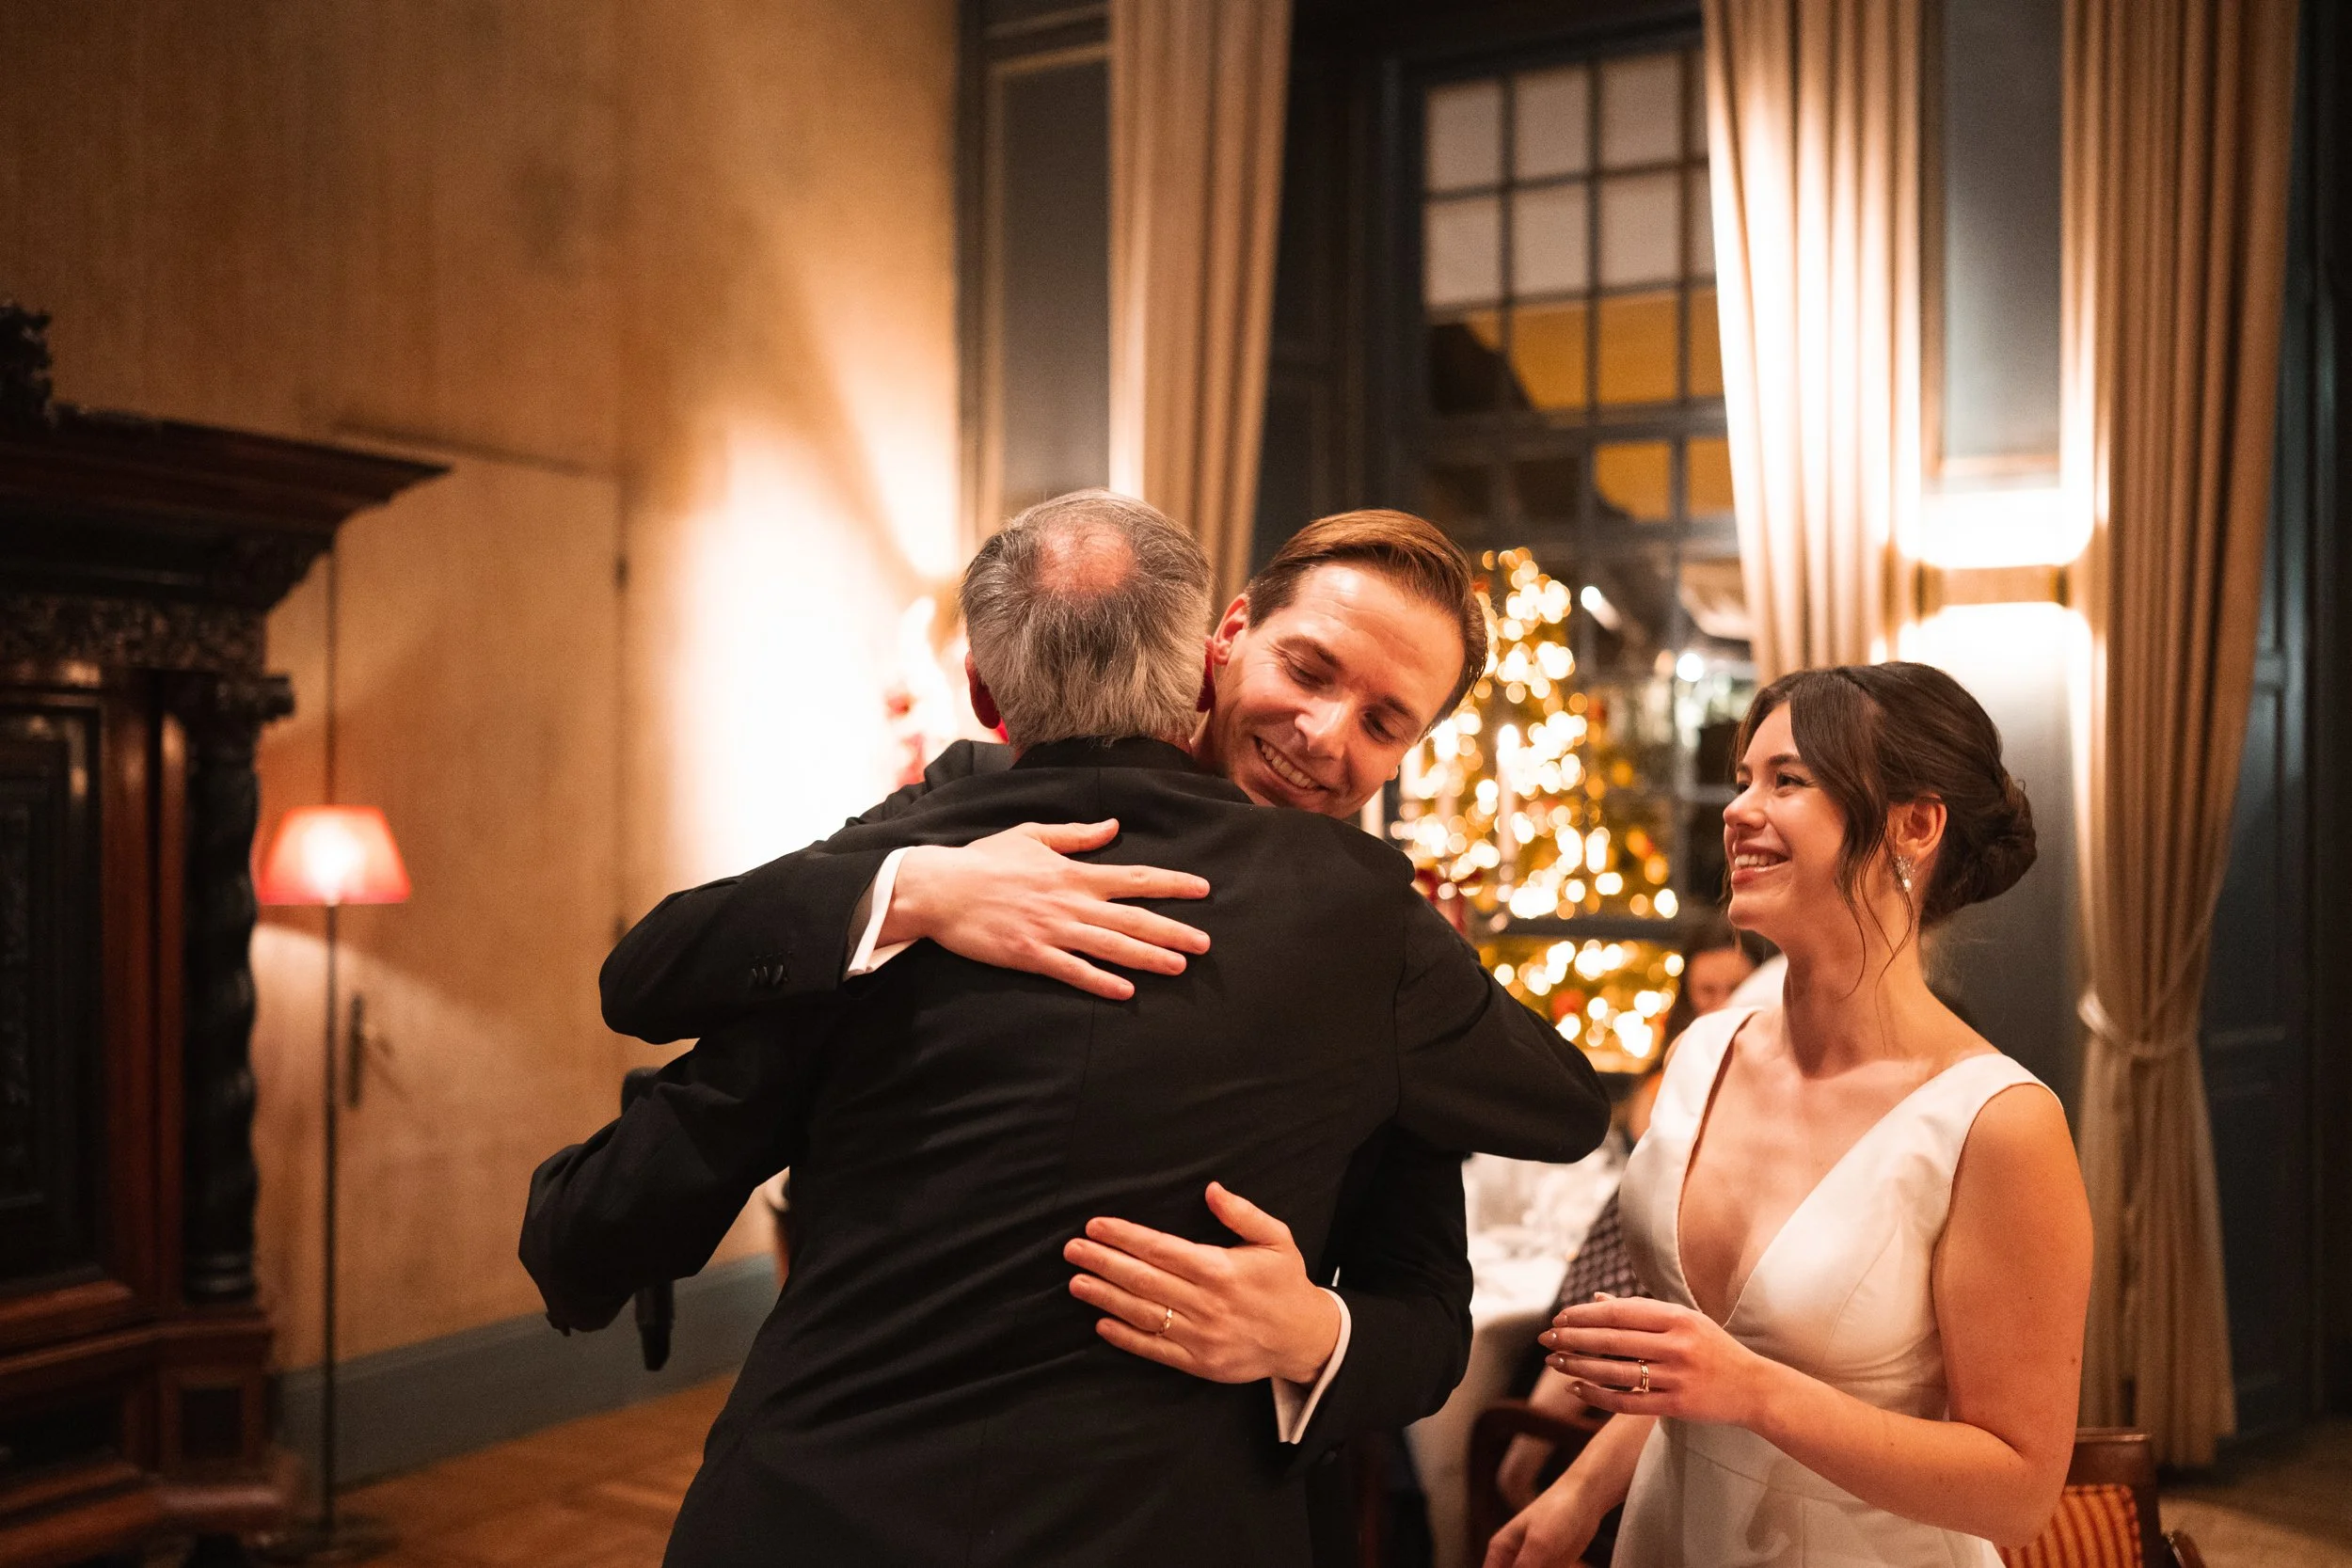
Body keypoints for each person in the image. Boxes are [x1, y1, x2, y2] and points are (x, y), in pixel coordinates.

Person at [523, 492, 1613, 1568]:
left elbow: (1451, 1264)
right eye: (1310, 670)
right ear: (1222, 639)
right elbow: (670, 999)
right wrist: (911, 892)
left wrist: (1315, 1335)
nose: (1323, 733)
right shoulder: (938, 841)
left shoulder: (1379, 937)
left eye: (1383, 721)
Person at [1484, 662, 2091, 1568]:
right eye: (1742, 780)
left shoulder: (1995, 1123)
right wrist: (1584, 1487)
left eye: (1789, 780)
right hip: (1666, 1535)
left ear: (1914, 825)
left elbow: (2018, 1486)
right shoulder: (1703, 1056)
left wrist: (1755, 1392)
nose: (1738, 809)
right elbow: (1701, 1360)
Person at [1493, 915, 1762, 1524]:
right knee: (1599, 1310)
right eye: (1707, 992)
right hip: (1637, 1232)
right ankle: (1527, 1469)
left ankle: (1530, 1467)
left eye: (1735, 990)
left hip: (1697, 1245)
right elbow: (1650, 1132)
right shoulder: (1684, 1063)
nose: (1721, 1005)